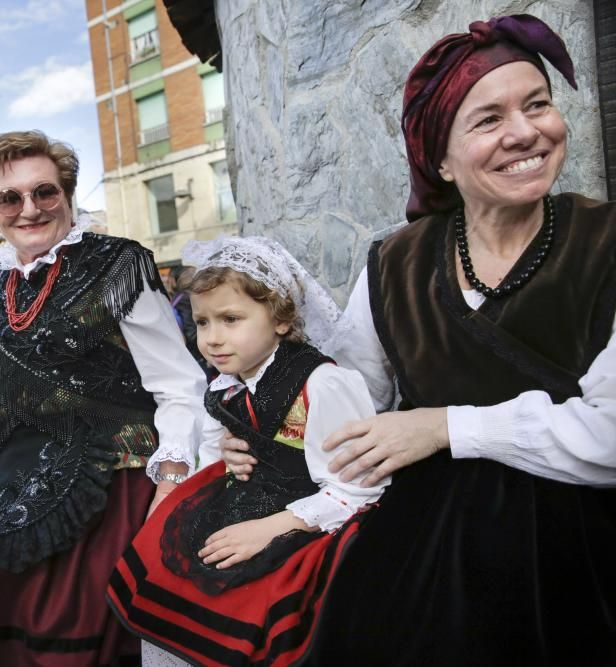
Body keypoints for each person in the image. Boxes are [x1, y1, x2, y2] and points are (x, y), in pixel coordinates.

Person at [223, 15, 616, 665]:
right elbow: (348, 401)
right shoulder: (395, 263)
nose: (525, 131)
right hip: (422, 552)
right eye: (489, 119)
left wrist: (442, 428)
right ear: (440, 157)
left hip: (580, 550)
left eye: (538, 104)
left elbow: (608, 436)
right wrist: (267, 429)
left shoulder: (603, 245)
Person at [0, 130, 209, 665]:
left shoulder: (117, 266)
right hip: (7, 465)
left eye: (44, 192)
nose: (28, 209)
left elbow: (178, 386)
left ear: (68, 195)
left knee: (23, 600)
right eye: (9, 198)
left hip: (106, 469)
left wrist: (170, 482)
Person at [108, 237, 387, 665]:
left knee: (259, 610)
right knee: (169, 569)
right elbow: (216, 443)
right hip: (245, 497)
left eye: (231, 319)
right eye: (202, 323)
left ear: (279, 317)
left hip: (307, 517)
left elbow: (359, 488)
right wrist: (227, 451)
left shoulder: (322, 385)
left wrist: (270, 528)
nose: (213, 339)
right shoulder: (227, 383)